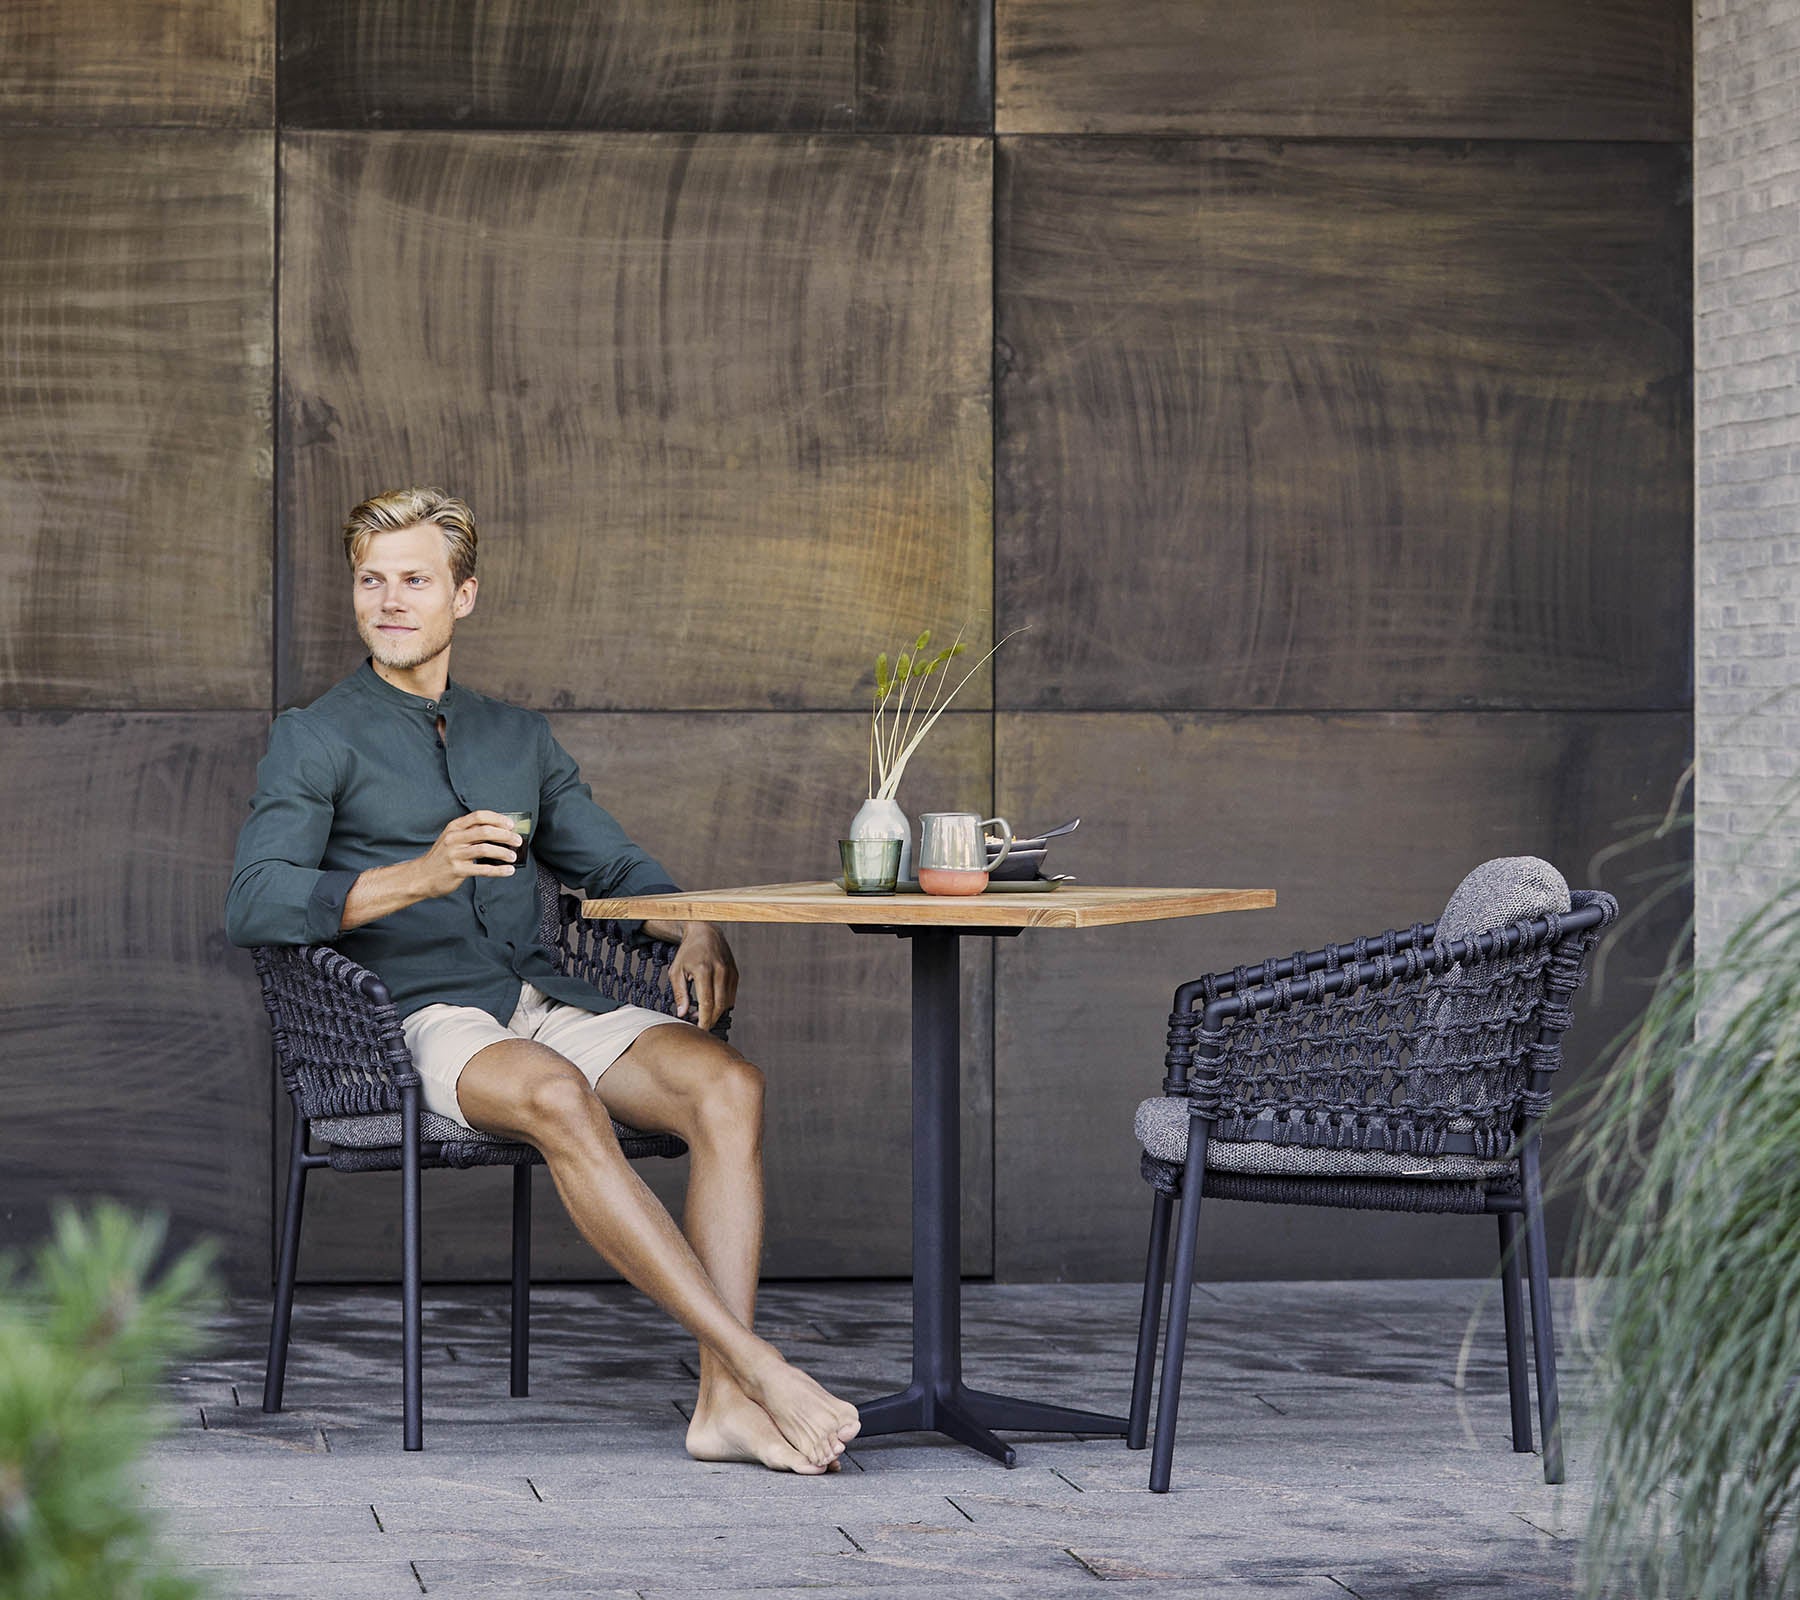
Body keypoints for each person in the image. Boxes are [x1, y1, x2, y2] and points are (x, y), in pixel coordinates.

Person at [226, 487, 859, 1474]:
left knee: (728, 1087)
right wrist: (422, 875)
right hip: (415, 1024)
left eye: (415, 580)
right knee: (557, 1093)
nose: (390, 601)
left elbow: (612, 870)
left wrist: (694, 921)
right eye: (371, 580)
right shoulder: (316, 736)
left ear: (463, 596)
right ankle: (756, 1367)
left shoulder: (517, 738)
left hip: (544, 998)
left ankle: (720, 1404)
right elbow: (256, 901)